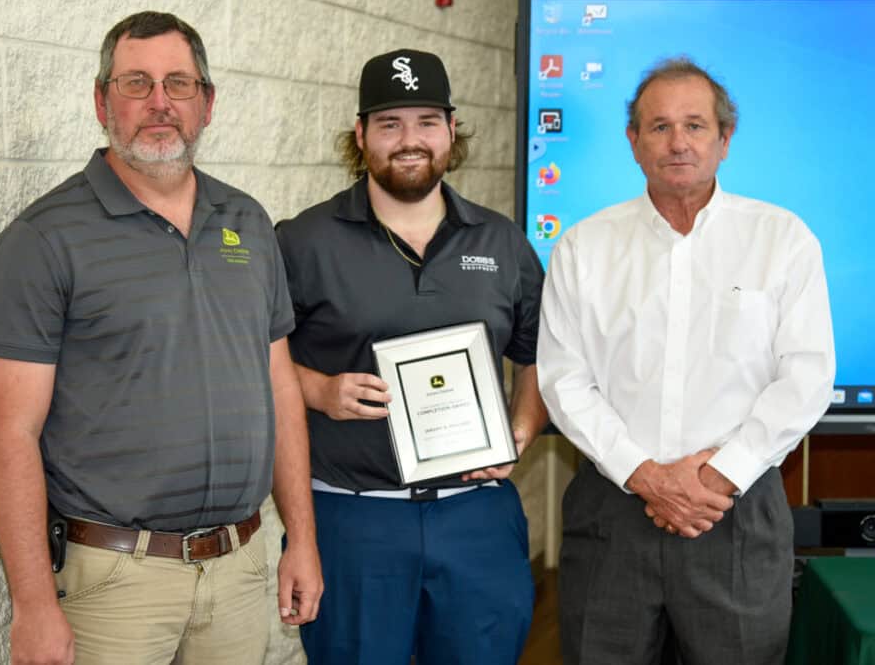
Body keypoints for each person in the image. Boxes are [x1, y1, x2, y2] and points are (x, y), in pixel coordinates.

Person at [0, 11, 322, 665]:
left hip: (240, 565)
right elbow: (9, 432)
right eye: (136, 83)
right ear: (102, 100)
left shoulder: (247, 222)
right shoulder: (45, 239)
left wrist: (299, 540)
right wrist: (32, 604)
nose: (159, 102)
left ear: (207, 103)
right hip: (116, 583)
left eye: (178, 84)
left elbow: (279, 388)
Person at [537, 56, 835, 665]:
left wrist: (716, 477)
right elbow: (565, 380)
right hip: (614, 512)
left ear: (725, 140)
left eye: (695, 126)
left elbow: (806, 377)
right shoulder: (583, 247)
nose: (678, 143)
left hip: (735, 516)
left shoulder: (783, 239)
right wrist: (647, 475)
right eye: (660, 127)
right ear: (633, 142)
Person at [275, 49, 549, 665]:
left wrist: (521, 429)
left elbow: (538, 358)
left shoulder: (499, 240)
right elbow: (252, 362)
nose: (410, 140)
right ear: (361, 134)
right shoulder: (302, 241)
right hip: (352, 519)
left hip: (475, 518)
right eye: (390, 123)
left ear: (452, 131)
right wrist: (319, 390)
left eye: (426, 121)